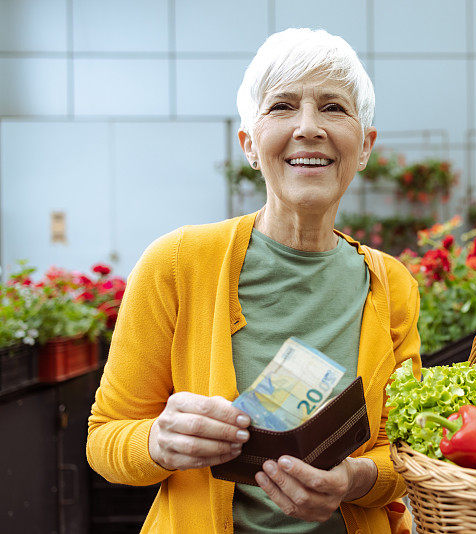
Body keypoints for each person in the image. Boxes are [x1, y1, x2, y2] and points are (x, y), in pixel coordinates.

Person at [87, 28, 421, 534]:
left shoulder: (390, 285)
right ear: (249, 144)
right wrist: (158, 442)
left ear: (366, 144)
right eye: (282, 106)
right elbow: (104, 439)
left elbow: (406, 454)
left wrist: (354, 479)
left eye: (333, 107)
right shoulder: (177, 263)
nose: (309, 128)